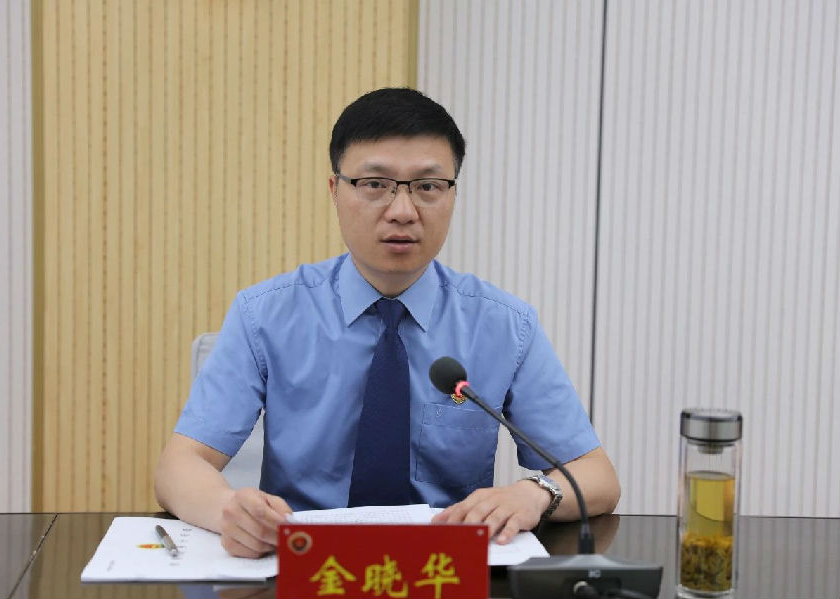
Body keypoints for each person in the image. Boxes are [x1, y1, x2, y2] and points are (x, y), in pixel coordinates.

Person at [155, 88, 620, 559]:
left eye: (428, 186)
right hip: (303, 565)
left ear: (452, 194)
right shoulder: (265, 315)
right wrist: (229, 511)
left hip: (442, 570)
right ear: (335, 191)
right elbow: (179, 466)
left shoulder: (504, 326)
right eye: (375, 184)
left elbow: (597, 476)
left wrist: (534, 493)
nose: (402, 211)